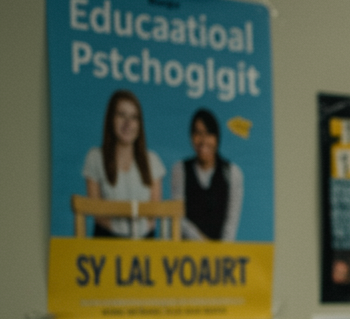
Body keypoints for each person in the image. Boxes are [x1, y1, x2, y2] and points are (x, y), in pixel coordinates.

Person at [82, 89, 166, 238]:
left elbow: (153, 214)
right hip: (107, 244)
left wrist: (135, 239)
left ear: (139, 124)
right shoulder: (95, 157)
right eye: (121, 115)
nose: (128, 123)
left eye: (134, 117)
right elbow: (95, 210)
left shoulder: (152, 160)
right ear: (111, 119)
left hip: (144, 247)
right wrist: (125, 238)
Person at [172, 108, 245, 241]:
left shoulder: (233, 173)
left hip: (221, 256)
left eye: (209, 133)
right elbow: (178, 217)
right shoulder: (180, 169)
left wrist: (218, 253)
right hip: (187, 254)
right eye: (198, 133)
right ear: (191, 137)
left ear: (217, 137)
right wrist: (202, 243)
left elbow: (231, 222)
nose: (203, 140)